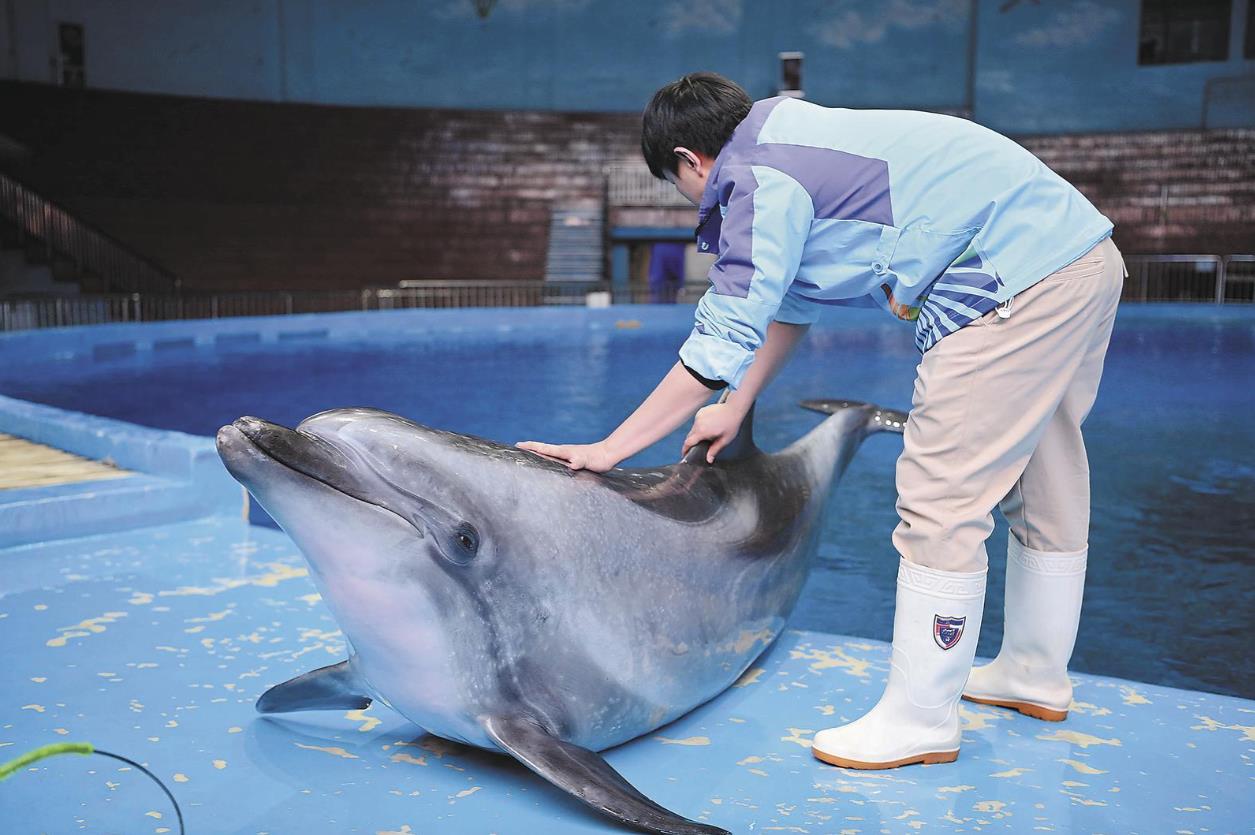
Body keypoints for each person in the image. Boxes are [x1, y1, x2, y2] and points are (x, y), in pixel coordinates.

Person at [517, 72, 1124, 770]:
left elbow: (717, 341)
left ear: (689, 159)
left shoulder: (755, 177)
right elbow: (783, 305)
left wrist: (610, 447)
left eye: (675, 182)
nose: (687, 196)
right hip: (1076, 257)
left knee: (940, 498)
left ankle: (920, 718)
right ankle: (1032, 671)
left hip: (1005, 279)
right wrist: (735, 403)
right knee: (1043, 474)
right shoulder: (790, 135)